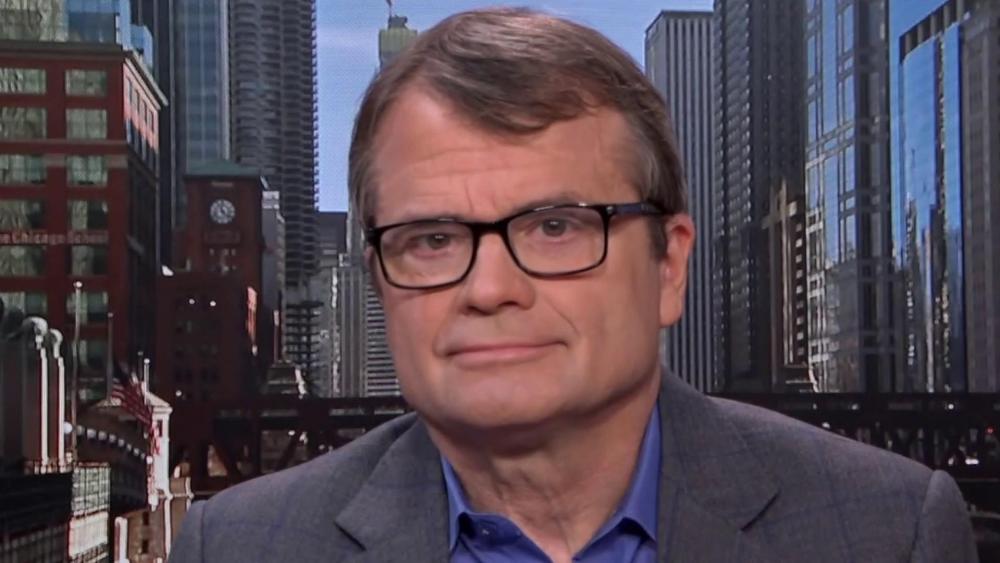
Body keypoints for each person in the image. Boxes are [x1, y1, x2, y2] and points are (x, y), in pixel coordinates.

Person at [169, 8, 977, 562]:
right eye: (433, 239)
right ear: (379, 279)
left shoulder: (888, 531)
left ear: (668, 266)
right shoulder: (239, 546)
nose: (490, 287)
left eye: (556, 226)